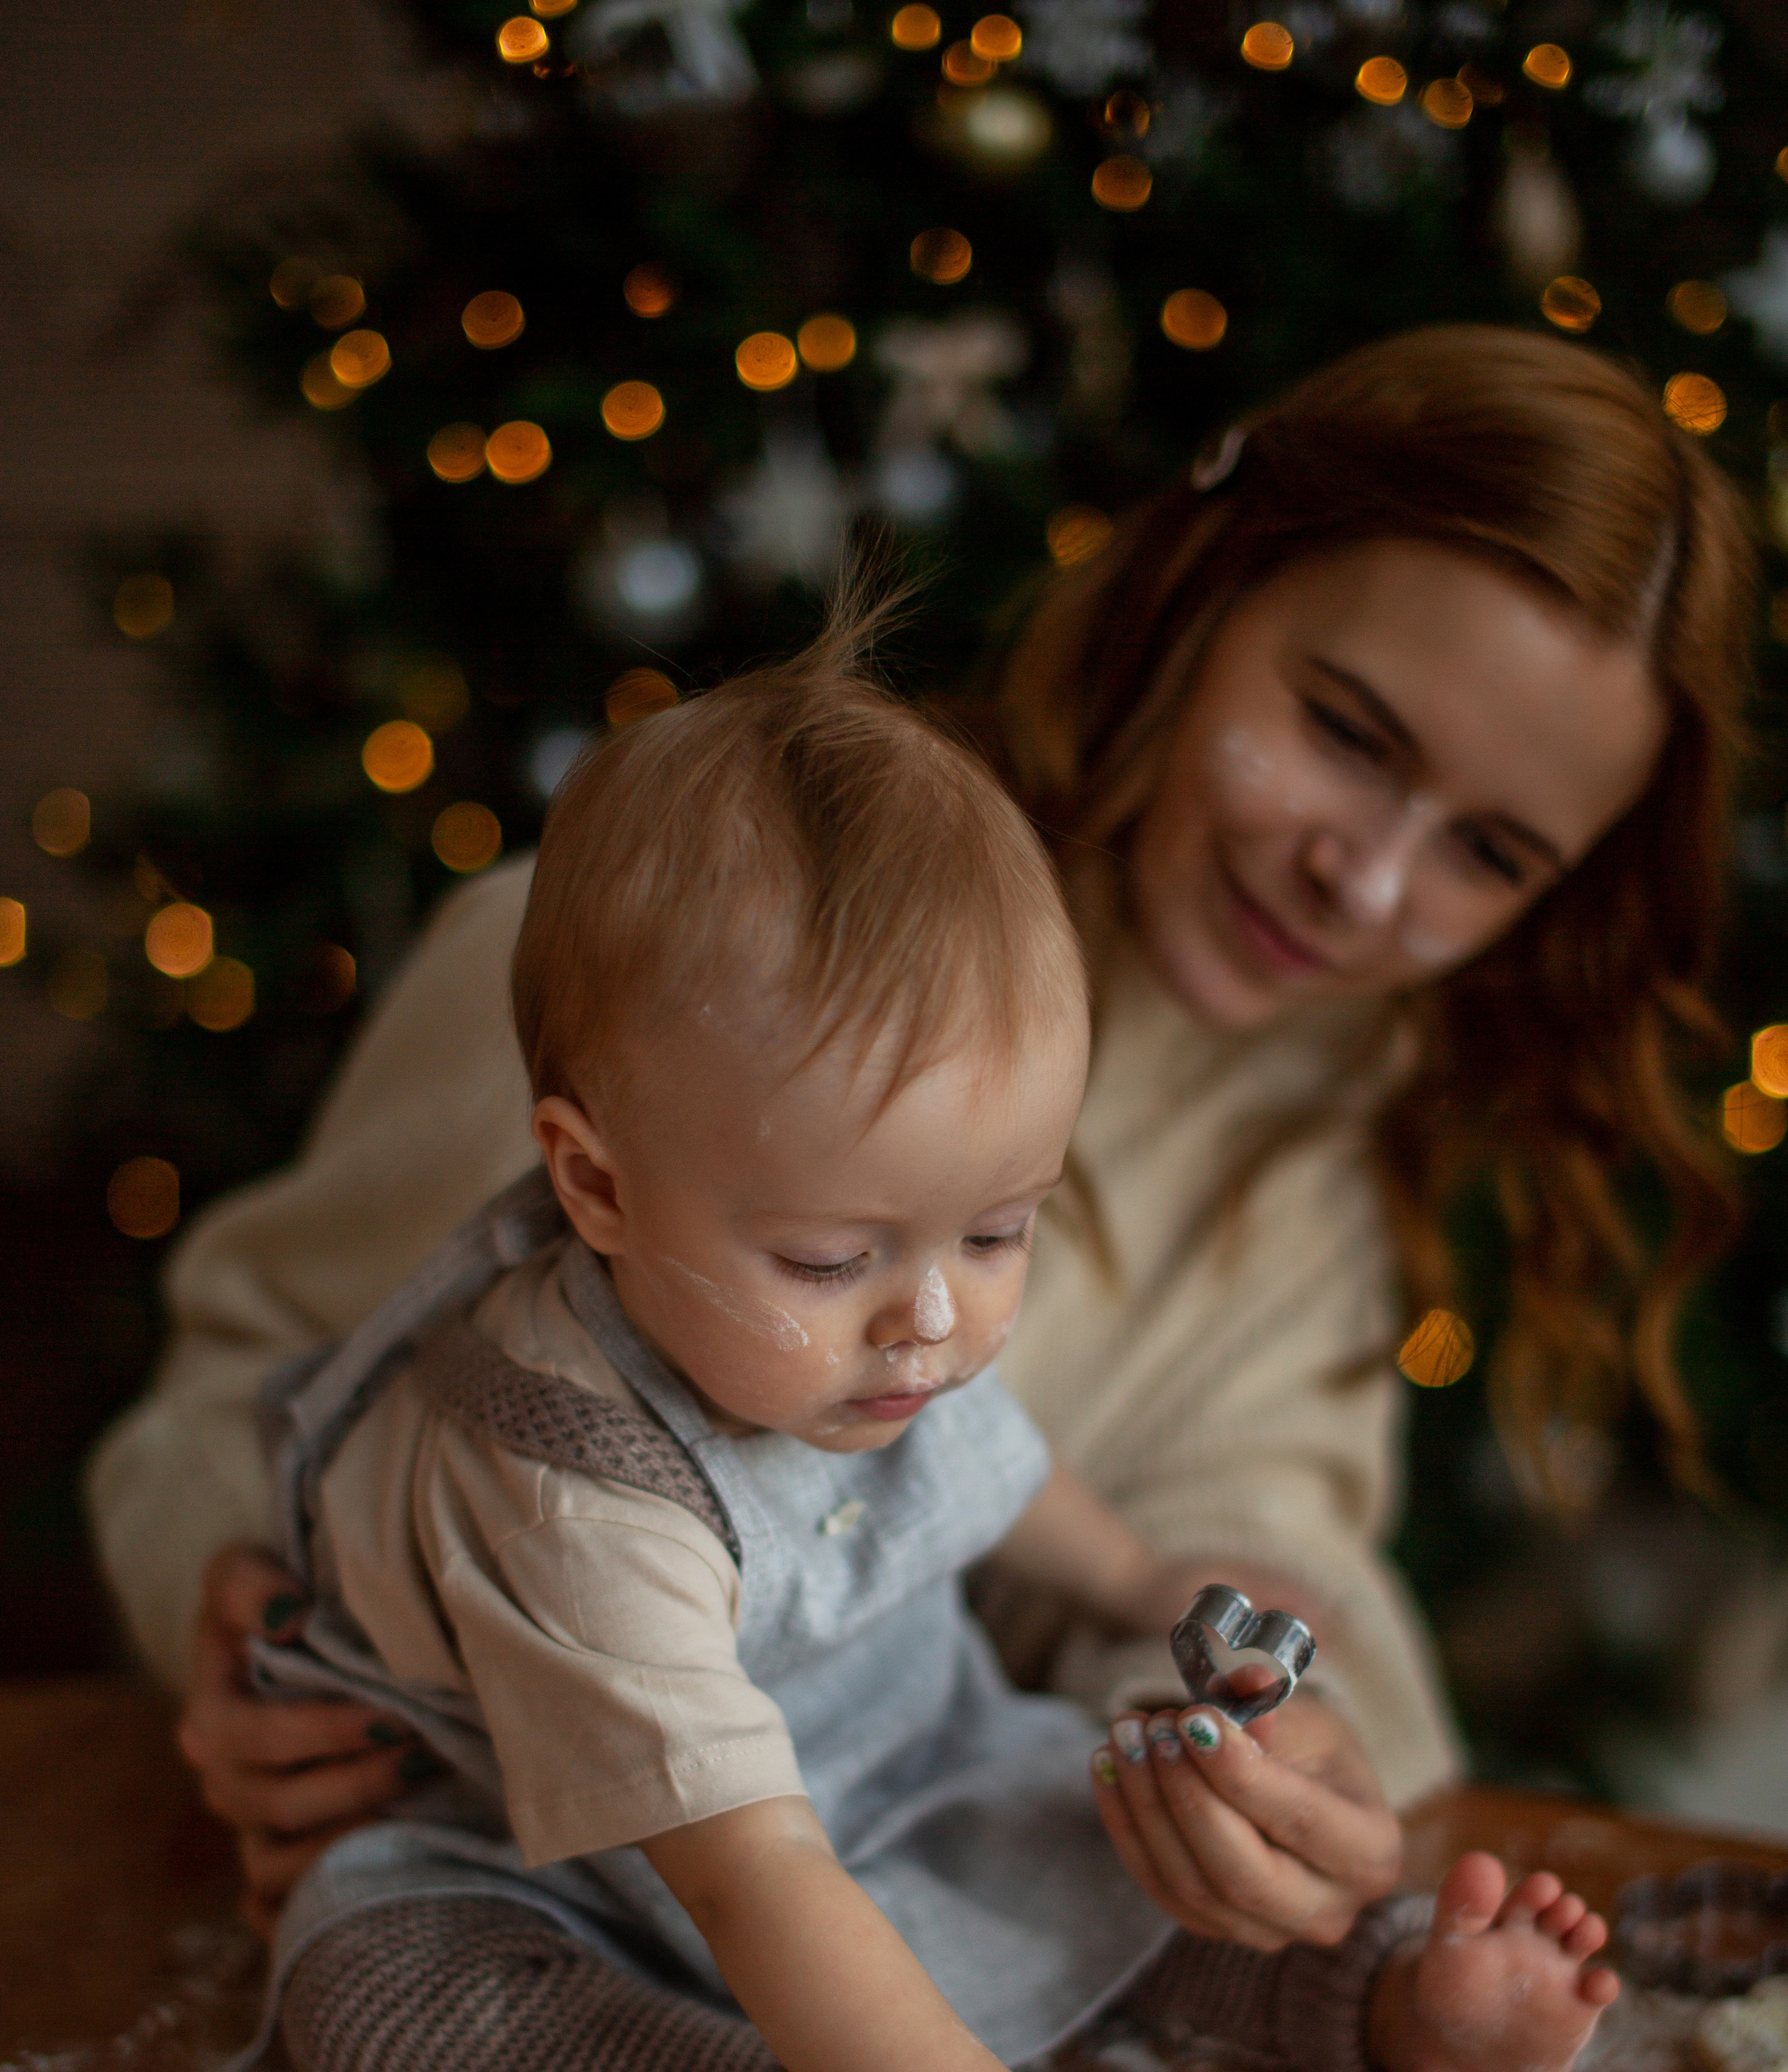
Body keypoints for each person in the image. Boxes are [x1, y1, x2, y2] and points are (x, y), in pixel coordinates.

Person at [88, 323, 1753, 1962]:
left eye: (1486, 850)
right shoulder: (663, 999)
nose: (1368, 880)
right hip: (500, 1895)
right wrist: (233, 1600)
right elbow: (230, 1398)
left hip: (862, 1925)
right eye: (1345, 731)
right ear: (1197, 596)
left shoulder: (1315, 1164)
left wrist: (1248, 1736)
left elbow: (1240, 1545)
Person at [247, 621, 1619, 2072]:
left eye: (999, 1229)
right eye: (831, 1256)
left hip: (904, 1762)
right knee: (377, 2005)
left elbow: (1027, 1497)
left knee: (1094, 1805)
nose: (933, 1321)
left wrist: (1163, 1604)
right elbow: (751, 1886)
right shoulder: (568, 1477)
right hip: (573, 1874)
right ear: (593, 1180)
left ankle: (1379, 2005)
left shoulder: (873, 1316)